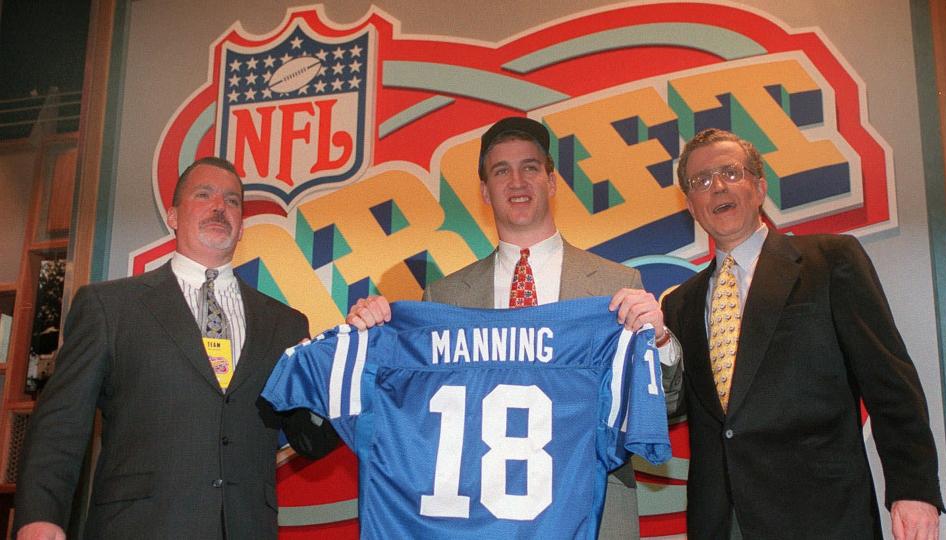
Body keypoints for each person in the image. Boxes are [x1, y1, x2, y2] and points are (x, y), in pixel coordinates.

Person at [347, 116, 682, 539]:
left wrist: (661, 340)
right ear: (485, 191)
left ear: (552, 180)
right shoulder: (444, 298)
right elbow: (415, 428)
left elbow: (666, 403)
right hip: (478, 522)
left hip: (591, 516)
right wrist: (366, 343)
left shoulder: (617, 286)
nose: (516, 181)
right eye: (500, 170)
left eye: (530, 167)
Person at [14, 157, 339, 540]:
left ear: (242, 226)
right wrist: (40, 515)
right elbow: (61, 423)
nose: (220, 206)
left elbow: (311, 438)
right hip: (138, 528)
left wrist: (344, 366)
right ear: (172, 216)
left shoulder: (286, 324)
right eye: (204, 195)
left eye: (233, 201)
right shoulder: (110, 307)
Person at [662, 128, 944, 539]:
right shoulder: (679, 305)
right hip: (724, 522)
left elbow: (891, 385)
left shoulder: (829, 262)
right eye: (701, 181)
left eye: (730, 172)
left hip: (824, 515)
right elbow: (681, 411)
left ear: (759, 188)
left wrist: (914, 490)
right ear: (691, 204)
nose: (717, 186)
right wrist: (657, 348)